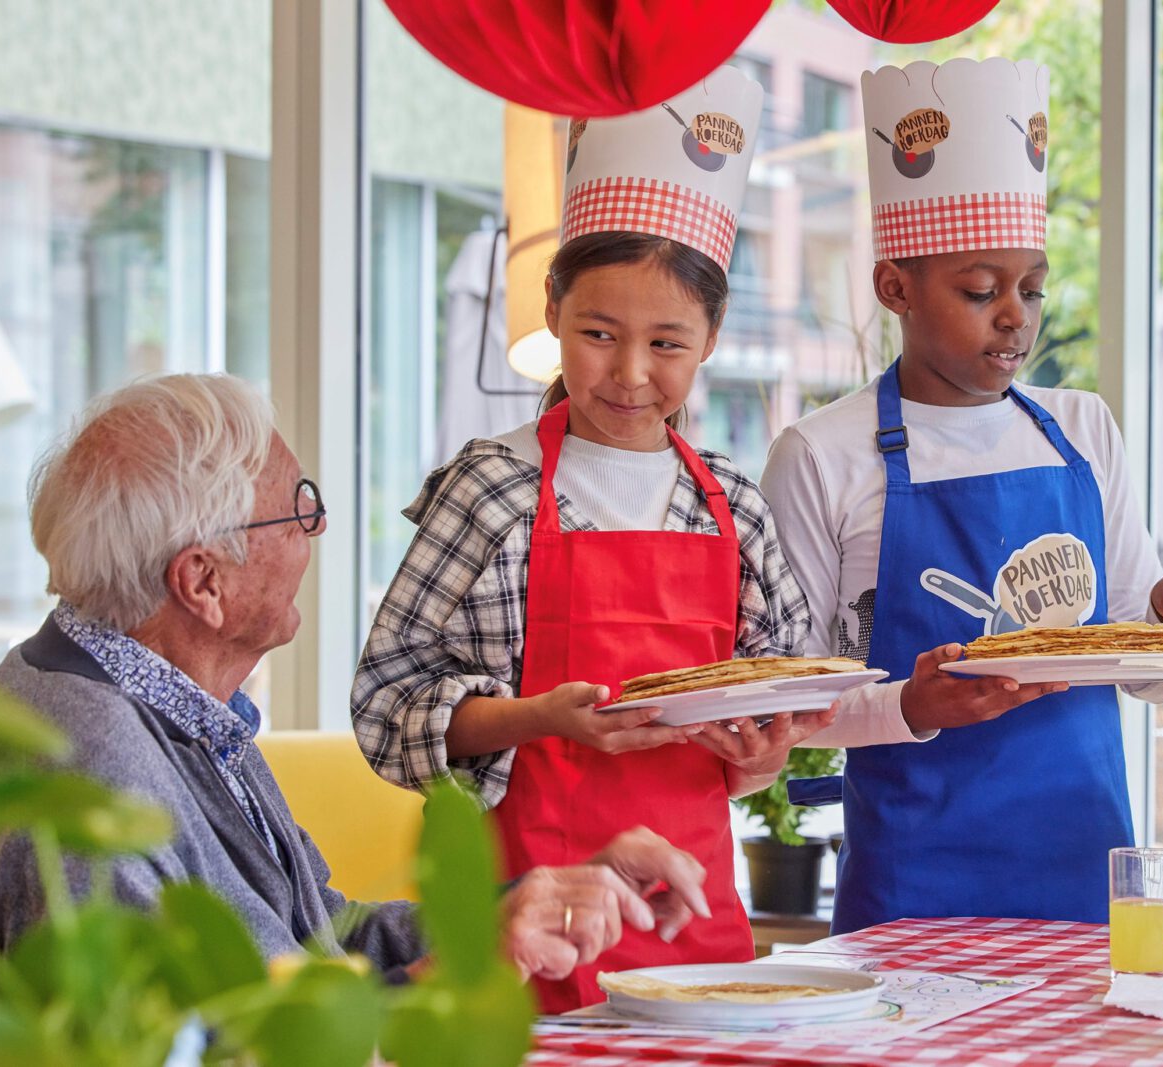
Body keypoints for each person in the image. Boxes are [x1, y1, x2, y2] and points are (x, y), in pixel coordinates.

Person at [351, 67, 893, 1011]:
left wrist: (762, 751)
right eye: (598, 332)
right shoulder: (493, 490)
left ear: (713, 334)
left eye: (668, 344)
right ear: (553, 302)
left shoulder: (731, 502)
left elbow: (792, 691)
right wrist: (538, 717)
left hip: (697, 938)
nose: (631, 373)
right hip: (525, 936)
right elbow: (382, 705)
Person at [0, 373, 712, 986]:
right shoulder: (88, 769)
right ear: (203, 581)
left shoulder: (171, 703)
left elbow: (321, 942)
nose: (316, 530)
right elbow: (188, 1049)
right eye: (298, 507)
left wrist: (532, 898)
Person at [762, 57, 1163, 935]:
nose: (1016, 318)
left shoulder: (1082, 427)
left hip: (1088, 873)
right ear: (894, 288)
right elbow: (792, 701)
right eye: (979, 291)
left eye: (1031, 289)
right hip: (913, 889)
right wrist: (917, 706)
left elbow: (1143, 663)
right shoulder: (820, 453)